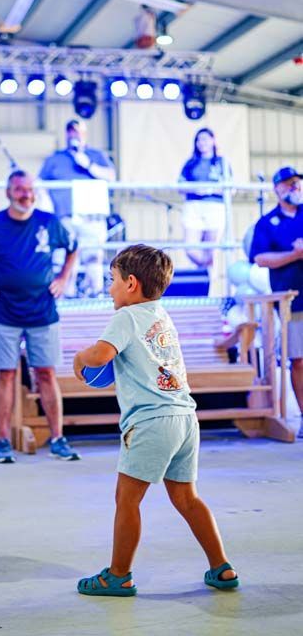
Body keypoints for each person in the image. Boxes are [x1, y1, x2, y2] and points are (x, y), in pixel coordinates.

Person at [74, 244, 239, 596]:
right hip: (183, 418)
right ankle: (221, 566)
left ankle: (118, 575)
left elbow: (101, 355)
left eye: (112, 279)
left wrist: (79, 357)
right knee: (187, 498)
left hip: (150, 422)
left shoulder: (126, 317)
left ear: (130, 283)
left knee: (127, 499)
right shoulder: (161, 315)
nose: (109, 287)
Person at [0, 170, 80, 463]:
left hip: (43, 312)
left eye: (30, 189)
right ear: (8, 192)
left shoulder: (49, 223)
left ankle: (58, 439)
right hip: (4, 313)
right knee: (6, 374)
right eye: (20, 189)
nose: (26, 194)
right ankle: (1, 442)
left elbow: (74, 247)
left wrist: (63, 277)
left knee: (46, 374)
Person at [250, 166, 303, 439]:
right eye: (289, 184)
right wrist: (295, 255)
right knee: (299, 360)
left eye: (297, 183)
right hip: (293, 301)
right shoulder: (267, 223)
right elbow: (260, 259)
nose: (295, 188)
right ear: (277, 189)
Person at [39, 119, 116, 297]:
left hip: (92, 217)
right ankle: (67, 298)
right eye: (70, 132)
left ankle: (95, 296)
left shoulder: (96, 155)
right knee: (65, 259)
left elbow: (111, 176)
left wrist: (88, 164)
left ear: (84, 134)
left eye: (77, 131)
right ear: (66, 134)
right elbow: (40, 183)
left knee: (93, 258)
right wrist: (46, 202)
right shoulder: (55, 158)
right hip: (65, 218)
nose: (74, 135)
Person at [178, 128, 231, 269]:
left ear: (213, 141)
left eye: (205, 139)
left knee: (210, 250)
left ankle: (207, 280)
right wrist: (196, 189)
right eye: (199, 140)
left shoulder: (222, 162)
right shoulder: (190, 163)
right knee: (190, 248)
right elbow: (180, 186)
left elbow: (231, 189)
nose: (202, 143)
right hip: (193, 206)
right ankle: (202, 269)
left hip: (214, 207)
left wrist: (210, 189)